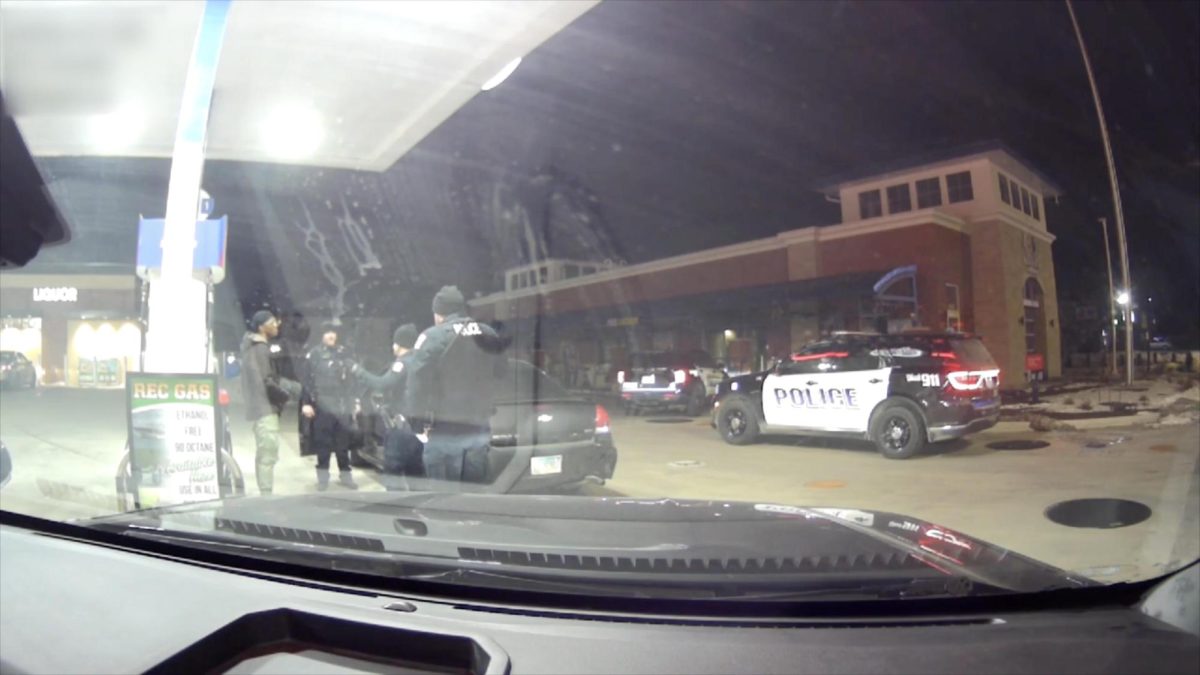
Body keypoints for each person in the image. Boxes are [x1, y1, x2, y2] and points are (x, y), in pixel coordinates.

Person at [404, 286, 507, 482]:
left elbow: (416, 385)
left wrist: (417, 424)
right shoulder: (488, 333)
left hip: (443, 430)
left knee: (443, 497)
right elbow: (502, 372)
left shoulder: (432, 337)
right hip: (478, 427)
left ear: (439, 313)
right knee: (474, 493)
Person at [239, 310, 301, 496]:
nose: (276, 325)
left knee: (265, 454)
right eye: (272, 322)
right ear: (261, 327)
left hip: (261, 407)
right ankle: (266, 498)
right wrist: (286, 396)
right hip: (265, 408)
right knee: (268, 455)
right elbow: (267, 381)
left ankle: (265, 493)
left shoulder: (254, 347)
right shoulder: (259, 349)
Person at [356, 323, 423, 485]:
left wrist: (358, 371)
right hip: (420, 426)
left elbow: (382, 384)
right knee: (417, 472)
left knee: (393, 470)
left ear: (399, 344)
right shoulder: (422, 361)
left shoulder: (402, 363)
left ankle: (394, 508)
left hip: (401, 427)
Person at [301, 321, 359, 491]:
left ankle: (346, 476)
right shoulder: (314, 355)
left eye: (334, 332)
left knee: (343, 444)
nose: (331, 335)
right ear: (322, 335)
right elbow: (307, 381)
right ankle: (323, 479)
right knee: (323, 444)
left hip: (342, 405)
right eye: (328, 333)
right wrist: (305, 403)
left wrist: (355, 402)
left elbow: (351, 380)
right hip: (322, 405)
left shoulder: (344, 353)